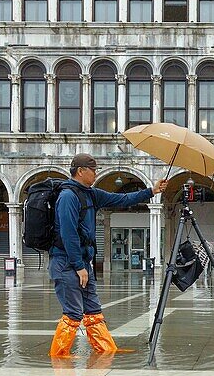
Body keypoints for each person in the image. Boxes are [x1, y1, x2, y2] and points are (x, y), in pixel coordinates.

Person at [49, 153, 168, 357]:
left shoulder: (91, 193)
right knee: (73, 313)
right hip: (67, 263)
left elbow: (121, 198)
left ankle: (105, 350)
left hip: (83, 262)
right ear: (80, 171)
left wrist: (151, 191)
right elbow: (68, 234)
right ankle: (59, 356)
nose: (97, 173)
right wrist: (78, 266)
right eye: (93, 169)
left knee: (93, 311)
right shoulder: (68, 196)